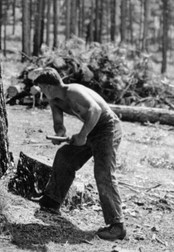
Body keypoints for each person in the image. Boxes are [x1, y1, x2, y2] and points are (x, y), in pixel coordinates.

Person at [32, 67, 126, 242]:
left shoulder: (73, 91)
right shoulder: (55, 100)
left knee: (103, 173)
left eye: (42, 88)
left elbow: (95, 110)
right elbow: (59, 124)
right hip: (92, 130)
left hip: (108, 128)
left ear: (49, 86)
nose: (41, 92)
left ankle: (117, 226)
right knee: (64, 156)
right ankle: (52, 201)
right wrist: (59, 134)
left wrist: (82, 135)